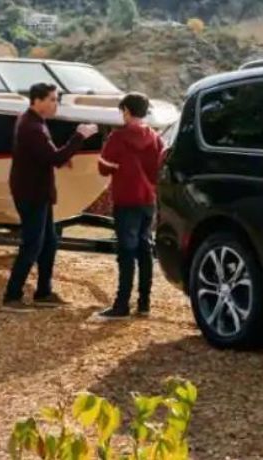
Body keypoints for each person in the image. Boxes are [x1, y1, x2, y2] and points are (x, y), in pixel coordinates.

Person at [2, 82, 99, 313]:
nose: (56, 104)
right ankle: (11, 296)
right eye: (53, 99)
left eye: (56, 99)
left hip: (38, 191)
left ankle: (43, 293)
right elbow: (52, 158)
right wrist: (79, 136)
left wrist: (61, 156)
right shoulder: (31, 126)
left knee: (49, 241)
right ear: (37, 100)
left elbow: (46, 154)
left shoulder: (33, 121)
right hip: (31, 192)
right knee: (32, 244)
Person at [91, 93, 165, 321]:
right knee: (144, 250)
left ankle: (121, 305)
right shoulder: (155, 137)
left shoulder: (117, 137)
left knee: (126, 252)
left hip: (126, 200)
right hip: (148, 201)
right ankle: (144, 303)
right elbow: (160, 167)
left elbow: (104, 168)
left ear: (126, 111)